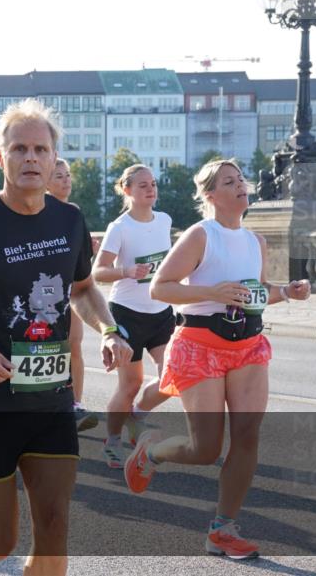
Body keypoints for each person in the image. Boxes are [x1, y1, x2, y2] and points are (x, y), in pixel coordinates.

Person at [0, 99, 132, 576]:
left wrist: (110, 330)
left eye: (40, 149)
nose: (30, 158)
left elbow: (83, 289)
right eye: (19, 149)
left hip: (51, 401)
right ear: (1, 157)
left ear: (54, 158)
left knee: (54, 528)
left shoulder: (69, 220)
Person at [124, 158, 311, 559]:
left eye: (241, 178)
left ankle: (222, 529)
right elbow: (161, 288)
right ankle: (151, 451)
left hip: (248, 347)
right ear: (211, 196)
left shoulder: (255, 242)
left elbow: (257, 292)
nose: (241, 185)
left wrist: (287, 291)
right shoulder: (200, 236)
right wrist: (213, 292)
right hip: (200, 345)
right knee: (206, 449)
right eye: (230, 181)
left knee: (247, 437)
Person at [92, 164, 175, 467]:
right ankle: (112, 440)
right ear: (127, 190)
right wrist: (126, 271)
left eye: (153, 184)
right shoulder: (120, 227)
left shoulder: (165, 220)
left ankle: (136, 416)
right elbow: (98, 272)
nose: (150, 189)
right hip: (127, 314)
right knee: (130, 384)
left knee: (173, 376)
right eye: (142, 185)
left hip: (161, 312)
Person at [47, 158, 99, 432]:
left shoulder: (74, 212)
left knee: (74, 345)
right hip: (44, 294)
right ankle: (50, 405)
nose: (66, 180)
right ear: (45, 180)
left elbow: (80, 259)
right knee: (52, 348)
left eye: (68, 175)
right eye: (59, 176)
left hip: (71, 291)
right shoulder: (38, 210)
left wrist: (89, 248)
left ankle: (75, 403)